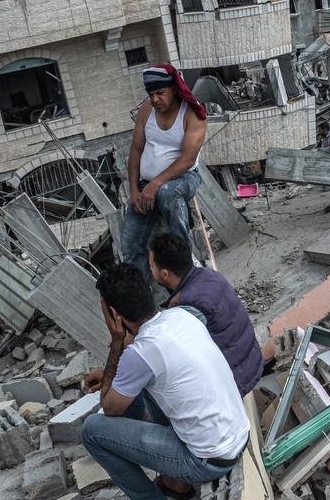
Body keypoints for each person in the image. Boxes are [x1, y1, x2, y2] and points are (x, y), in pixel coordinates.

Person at [81, 263, 249, 500]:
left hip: (205, 461)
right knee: (143, 384)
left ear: (114, 315)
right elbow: (147, 354)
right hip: (237, 436)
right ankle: (174, 482)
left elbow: (109, 407)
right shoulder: (181, 316)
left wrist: (116, 343)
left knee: (91, 430)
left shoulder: (140, 353)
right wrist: (116, 368)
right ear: (148, 292)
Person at [120, 65, 207, 284]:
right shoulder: (146, 110)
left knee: (167, 193)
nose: (155, 99)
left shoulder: (192, 114)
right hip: (145, 183)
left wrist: (156, 184)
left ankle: (184, 263)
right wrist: (134, 191)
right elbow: (136, 150)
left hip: (183, 179)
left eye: (160, 93)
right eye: (151, 94)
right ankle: (142, 295)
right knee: (131, 243)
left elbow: (188, 159)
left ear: (174, 90)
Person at [149, 232, 263, 396]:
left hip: (237, 382)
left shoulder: (189, 306)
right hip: (252, 361)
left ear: (165, 274)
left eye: (151, 265)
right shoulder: (209, 275)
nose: (150, 268)